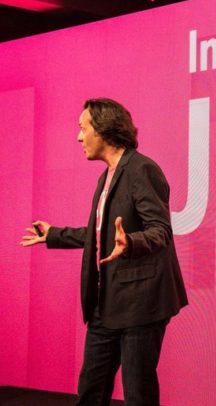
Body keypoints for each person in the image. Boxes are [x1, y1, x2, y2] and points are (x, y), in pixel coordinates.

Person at [20, 98, 188, 406]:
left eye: (83, 129)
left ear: (103, 129)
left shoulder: (142, 169)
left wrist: (130, 243)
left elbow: (160, 230)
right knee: (91, 391)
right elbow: (99, 234)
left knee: (138, 395)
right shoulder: (107, 175)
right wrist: (54, 234)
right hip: (106, 301)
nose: (78, 137)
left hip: (141, 303)